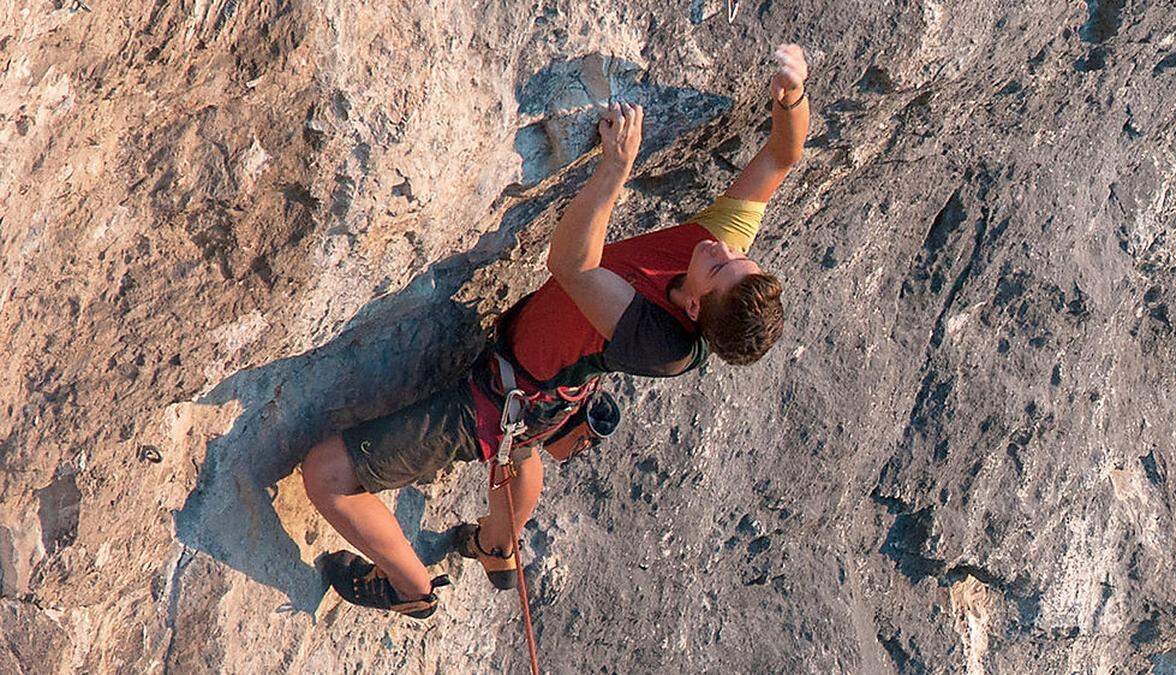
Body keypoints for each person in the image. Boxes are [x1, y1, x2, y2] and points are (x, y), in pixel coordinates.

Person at [302, 44, 812, 617]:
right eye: (738, 256)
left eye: (720, 265)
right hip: (544, 388)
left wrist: (613, 171)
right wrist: (792, 95)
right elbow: (780, 157)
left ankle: (409, 588)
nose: (721, 246)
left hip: (505, 394)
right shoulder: (715, 260)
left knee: (328, 474)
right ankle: (498, 548)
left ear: (694, 306)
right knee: (522, 448)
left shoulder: (663, 342)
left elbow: (571, 266)